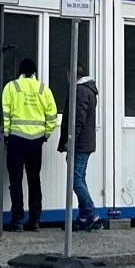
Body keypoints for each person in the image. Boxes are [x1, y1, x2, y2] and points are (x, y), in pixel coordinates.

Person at [0, 56, 58, 231]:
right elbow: (52, 116)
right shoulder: (43, 89)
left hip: (16, 141)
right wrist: (45, 134)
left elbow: (5, 114)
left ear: (20, 71)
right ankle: (35, 221)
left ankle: (17, 220)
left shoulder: (11, 87)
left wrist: (6, 134)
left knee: (15, 181)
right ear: (34, 72)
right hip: (36, 143)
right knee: (34, 180)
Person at [56, 69, 100, 230]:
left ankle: (93, 215)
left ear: (71, 74)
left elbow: (78, 118)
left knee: (75, 180)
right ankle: (83, 218)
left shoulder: (80, 91)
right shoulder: (89, 90)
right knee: (80, 179)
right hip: (85, 143)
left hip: (80, 144)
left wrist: (71, 139)